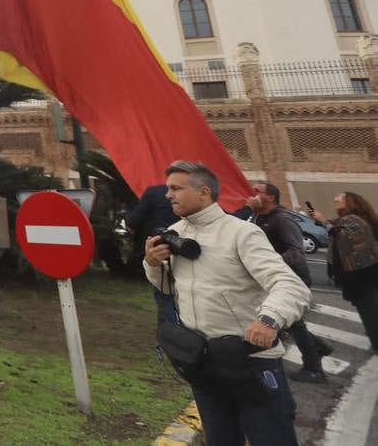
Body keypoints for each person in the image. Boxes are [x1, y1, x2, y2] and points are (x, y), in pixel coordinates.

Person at [144, 161, 311, 446]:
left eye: (176, 188)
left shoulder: (240, 233)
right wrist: (153, 264)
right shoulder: (175, 232)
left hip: (251, 362)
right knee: (220, 439)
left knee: (272, 438)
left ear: (204, 192)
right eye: (168, 188)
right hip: (204, 362)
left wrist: (268, 319)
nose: (168, 195)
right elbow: (168, 288)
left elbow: (290, 285)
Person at [248, 182, 330, 383]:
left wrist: (268, 265)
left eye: (256, 191)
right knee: (293, 323)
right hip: (273, 279)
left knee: (294, 323)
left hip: (291, 279)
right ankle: (318, 347)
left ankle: (314, 369)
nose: (251, 194)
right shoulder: (259, 217)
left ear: (270, 197)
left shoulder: (282, 219)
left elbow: (296, 253)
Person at [308, 191, 378, 351]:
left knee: (369, 311)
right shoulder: (352, 219)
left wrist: (323, 220)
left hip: (360, 275)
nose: (335, 198)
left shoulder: (352, 219)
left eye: (339, 197)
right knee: (369, 307)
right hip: (365, 273)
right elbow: (337, 226)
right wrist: (320, 220)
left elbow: (340, 234)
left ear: (351, 202)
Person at [128, 181, 180, 321]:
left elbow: (134, 221)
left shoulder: (154, 191)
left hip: (161, 248)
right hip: (187, 250)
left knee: (164, 294)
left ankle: (170, 332)